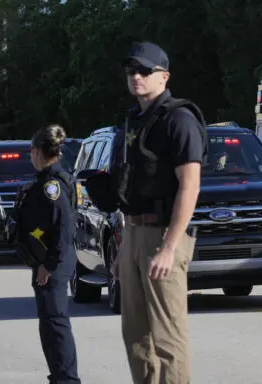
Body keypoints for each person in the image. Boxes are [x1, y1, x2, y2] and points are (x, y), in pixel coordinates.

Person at [86, 41, 207, 384]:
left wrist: (169, 247)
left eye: (144, 70)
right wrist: (124, 250)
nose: (136, 76)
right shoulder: (133, 122)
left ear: (164, 76)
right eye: (131, 71)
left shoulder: (178, 120)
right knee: (135, 336)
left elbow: (190, 186)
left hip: (164, 236)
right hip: (135, 236)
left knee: (167, 338)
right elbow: (129, 193)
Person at [11, 124, 81, 384]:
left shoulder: (52, 185)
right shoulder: (47, 181)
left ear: (39, 152)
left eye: (32, 150)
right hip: (48, 262)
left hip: (53, 265)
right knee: (50, 324)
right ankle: (60, 376)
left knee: (56, 324)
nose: (31, 155)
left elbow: (63, 228)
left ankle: (66, 379)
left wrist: (49, 265)